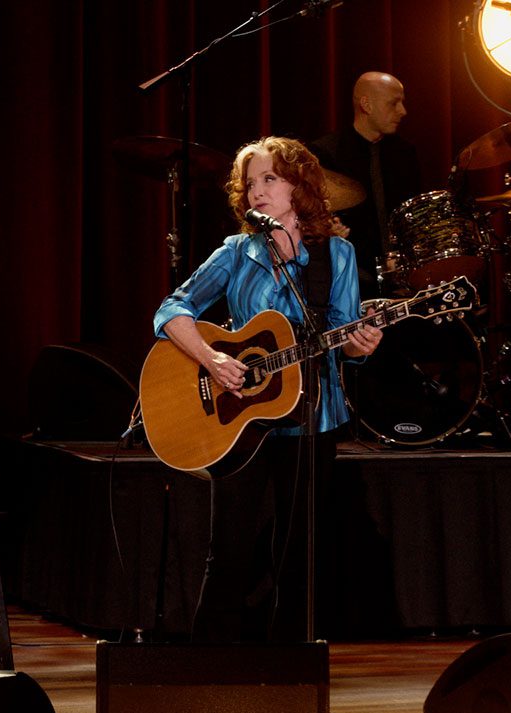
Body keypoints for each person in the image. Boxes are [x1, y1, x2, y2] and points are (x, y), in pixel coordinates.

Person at [153, 137, 382, 643]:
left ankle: (290, 671)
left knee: (301, 550)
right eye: (250, 182)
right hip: (239, 416)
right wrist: (211, 357)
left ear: (299, 187)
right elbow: (170, 311)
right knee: (229, 545)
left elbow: (344, 334)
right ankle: (209, 666)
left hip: (314, 415)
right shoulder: (237, 251)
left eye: (270, 179)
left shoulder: (336, 255)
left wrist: (360, 346)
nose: (257, 191)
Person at [310, 71, 422, 298]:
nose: (403, 111)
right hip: (352, 280)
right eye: (394, 103)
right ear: (366, 105)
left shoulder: (405, 154)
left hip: (406, 279)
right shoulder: (325, 153)